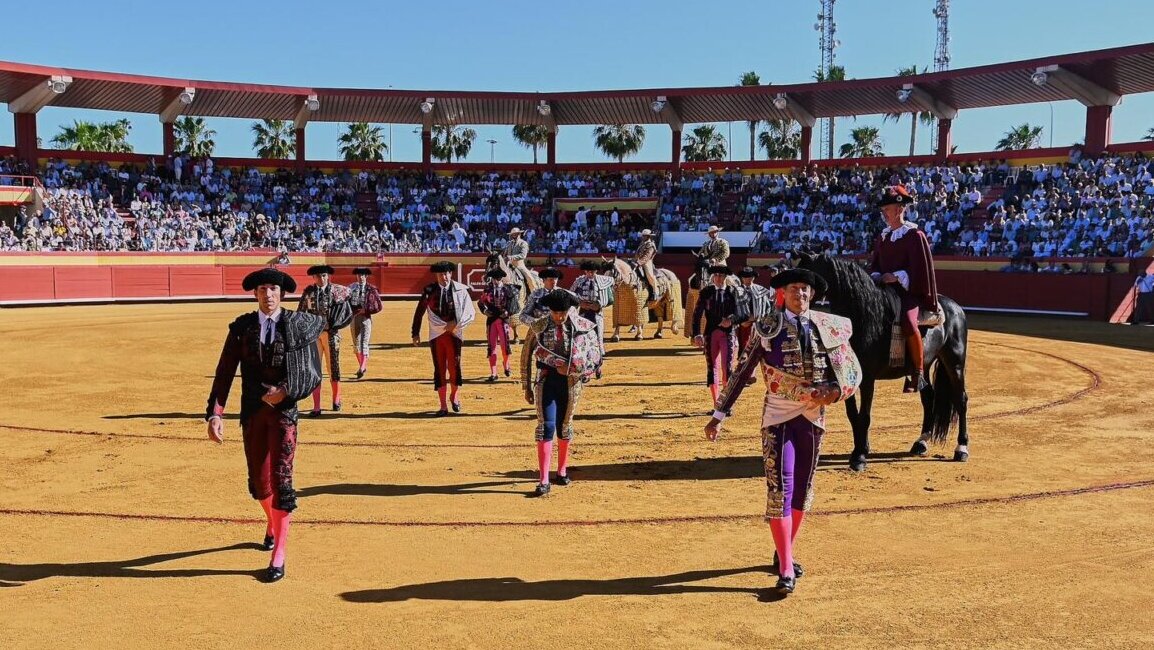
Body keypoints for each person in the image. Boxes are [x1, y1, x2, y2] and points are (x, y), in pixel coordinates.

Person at [704, 268, 862, 595]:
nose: (800, 295)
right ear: (783, 293)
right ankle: (787, 569)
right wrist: (719, 413)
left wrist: (834, 392)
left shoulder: (829, 326)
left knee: (803, 490)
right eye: (794, 289)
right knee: (781, 490)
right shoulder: (767, 327)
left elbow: (849, 372)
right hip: (777, 416)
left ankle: (784, 552)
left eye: (805, 290)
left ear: (812, 295)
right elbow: (742, 370)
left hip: (813, 416)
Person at [205, 268, 324, 583]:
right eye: (262, 289)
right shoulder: (242, 328)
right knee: (259, 485)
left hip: (284, 414)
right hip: (253, 414)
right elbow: (225, 371)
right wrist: (216, 412)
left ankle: (278, 556)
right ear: (255, 294)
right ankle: (272, 522)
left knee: (282, 481)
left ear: (281, 293)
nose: (268, 294)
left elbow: (312, 372)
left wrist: (285, 392)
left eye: (273, 288)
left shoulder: (297, 327)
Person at [520, 290, 602, 497]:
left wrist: (575, 368)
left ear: (570, 310)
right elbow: (525, 356)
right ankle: (544, 479)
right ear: (549, 310)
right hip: (546, 381)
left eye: (563, 312)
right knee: (546, 426)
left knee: (564, 426)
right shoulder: (538, 326)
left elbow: (596, 356)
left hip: (571, 382)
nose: (559, 317)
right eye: (556, 313)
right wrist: (526, 386)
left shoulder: (583, 327)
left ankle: (562, 470)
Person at [868, 185, 939, 393]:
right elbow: (875, 265)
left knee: (908, 322)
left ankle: (917, 373)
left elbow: (919, 269)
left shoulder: (914, 235)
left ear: (899, 209)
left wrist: (897, 276)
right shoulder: (883, 237)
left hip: (908, 292)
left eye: (887, 209)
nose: (884, 214)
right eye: (883, 210)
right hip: (883, 290)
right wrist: (877, 276)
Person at [412, 261, 476, 416]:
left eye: (447, 273)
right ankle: (442, 406)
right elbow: (419, 311)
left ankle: (454, 395)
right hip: (437, 335)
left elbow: (469, 312)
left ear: (450, 274)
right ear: (436, 276)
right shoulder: (429, 291)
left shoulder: (460, 290)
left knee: (454, 368)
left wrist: (455, 323)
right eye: (441, 274)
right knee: (439, 368)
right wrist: (415, 333)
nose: (444, 277)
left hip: (454, 334)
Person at [299, 265, 353, 415]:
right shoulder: (308, 292)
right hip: (314, 335)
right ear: (313, 278)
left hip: (331, 334)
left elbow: (353, 300)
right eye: (318, 276)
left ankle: (336, 400)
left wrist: (341, 320)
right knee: (315, 370)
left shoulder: (338, 291)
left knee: (333, 367)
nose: (321, 279)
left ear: (328, 276)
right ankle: (317, 406)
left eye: (324, 275)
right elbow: (301, 314)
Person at [692, 265, 739, 408]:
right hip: (710, 333)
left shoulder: (733, 292)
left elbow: (741, 312)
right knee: (712, 368)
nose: (718, 278)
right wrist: (696, 334)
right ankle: (716, 404)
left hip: (728, 333)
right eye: (716, 275)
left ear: (726, 277)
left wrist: (730, 320)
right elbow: (697, 314)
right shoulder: (706, 292)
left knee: (727, 367)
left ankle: (726, 404)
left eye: (721, 275)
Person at [570, 260, 614, 379]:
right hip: (583, 314)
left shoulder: (603, 281)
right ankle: (586, 370)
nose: (591, 273)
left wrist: (599, 304)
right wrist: (580, 303)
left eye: (593, 271)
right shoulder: (579, 281)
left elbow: (609, 298)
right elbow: (571, 296)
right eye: (588, 271)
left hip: (597, 314)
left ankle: (598, 366)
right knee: (583, 341)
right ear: (585, 271)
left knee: (598, 340)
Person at [477, 268, 520, 381]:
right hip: (491, 320)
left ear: (501, 278)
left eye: (498, 278)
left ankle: (506, 366)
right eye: (495, 278)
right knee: (492, 347)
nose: (496, 281)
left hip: (503, 320)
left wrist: (508, 312)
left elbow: (514, 305)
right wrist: (485, 311)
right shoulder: (488, 289)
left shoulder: (508, 289)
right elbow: (481, 302)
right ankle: (493, 373)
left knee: (505, 346)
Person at [733, 266, 775, 374]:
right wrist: (740, 320)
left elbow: (768, 307)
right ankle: (744, 372)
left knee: (758, 348)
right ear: (742, 278)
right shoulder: (736, 291)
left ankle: (750, 373)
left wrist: (762, 318)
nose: (748, 279)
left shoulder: (760, 290)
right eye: (745, 277)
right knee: (744, 347)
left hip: (758, 324)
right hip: (743, 325)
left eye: (750, 277)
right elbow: (732, 308)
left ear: (753, 278)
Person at [347, 267, 382, 379]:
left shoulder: (371, 289)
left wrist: (365, 310)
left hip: (366, 318)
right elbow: (345, 303)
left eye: (362, 275)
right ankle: (362, 366)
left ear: (366, 276)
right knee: (356, 344)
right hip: (354, 318)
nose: (360, 277)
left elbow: (378, 306)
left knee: (364, 343)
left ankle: (362, 367)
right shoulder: (350, 288)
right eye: (358, 275)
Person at [633, 229, 658, 295]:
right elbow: (637, 253)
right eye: (643, 236)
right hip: (639, 260)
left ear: (648, 237)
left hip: (647, 262)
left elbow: (647, 256)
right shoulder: (642, 243)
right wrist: (635, 260)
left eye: (644, 236)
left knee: (649, 275)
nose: (643, 237)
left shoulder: (651, 245)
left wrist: (639, 263)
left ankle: (655, 292)